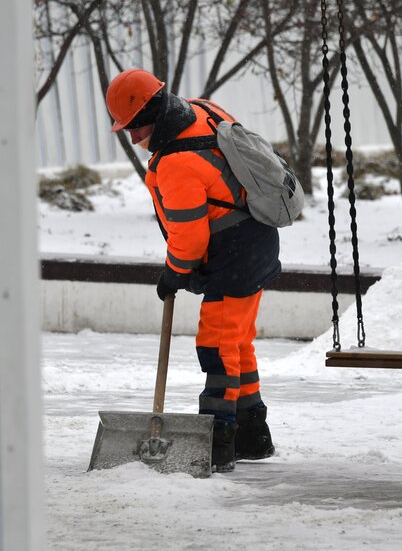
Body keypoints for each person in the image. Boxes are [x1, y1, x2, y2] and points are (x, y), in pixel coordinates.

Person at [106, 68, 279, 473]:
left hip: (233, 255)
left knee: (217, 345)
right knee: (236, 342)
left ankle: (217, 440)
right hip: (258, 240)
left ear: (154, 110)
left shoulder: (175, 163)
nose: (132, 137)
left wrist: (174, 273)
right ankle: (253, 434)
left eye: (134, 126)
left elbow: (190, 236)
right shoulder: (203, 109)